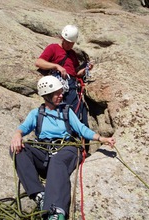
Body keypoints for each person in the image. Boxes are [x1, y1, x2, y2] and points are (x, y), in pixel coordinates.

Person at [10, 76, 115, 220]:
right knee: (17, 149)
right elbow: (23, 128)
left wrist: (101, 139)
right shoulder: (36, 113)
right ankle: (40, 194)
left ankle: (56, 210)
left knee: (57, 161)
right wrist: (17, 135)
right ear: (47, 95)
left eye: (61, 92)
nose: (61, 95)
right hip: (45, 151)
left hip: (67, 148)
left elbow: (81, 129)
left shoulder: (67, 111)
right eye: (57, 93)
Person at [35, 24, 94, 154]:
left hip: (73, 85)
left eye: (72, 43)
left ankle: (81, 148)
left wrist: (86, 69)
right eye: (68, 42)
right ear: (62, 38)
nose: (70, 45)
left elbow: (75, 73)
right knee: (65, 114)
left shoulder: (72, 54)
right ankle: (65, 144)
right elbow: (39, 62)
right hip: (61, 85)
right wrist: (56, 66)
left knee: (79, 114)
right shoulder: (53, 48)